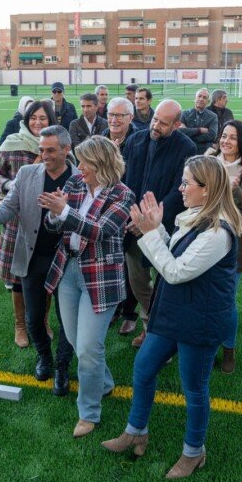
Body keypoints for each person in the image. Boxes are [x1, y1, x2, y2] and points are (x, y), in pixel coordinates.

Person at [101, 155, 242, 479]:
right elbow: (175, 256)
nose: (180, 188)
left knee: (194, 389)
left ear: (206, 190)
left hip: (199, 320)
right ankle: (136, 431)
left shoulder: (218, 231)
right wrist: (155, 230)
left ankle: (194, 452)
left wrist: (151, 232)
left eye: (187, 182)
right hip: (176, 313)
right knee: (144, 367)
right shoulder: (196, 215)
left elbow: (176, 272)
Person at [39, 136, 135, 438]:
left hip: (100, 276)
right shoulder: (76, 184)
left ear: (102, 164)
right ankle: (104, 384)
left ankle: (89, 412)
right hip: (68, 271)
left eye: (85, 163)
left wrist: (65, 213)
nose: (78, 169)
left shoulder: (123, 195)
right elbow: (53, 226)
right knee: (78, 341)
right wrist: (55, 214)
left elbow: (101, 231)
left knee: (88, 348)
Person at [0, 125, 75, 396]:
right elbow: (8, 209)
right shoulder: (26, 174)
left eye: (50, 150)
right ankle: (44, 356)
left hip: (67, 262)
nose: (44, 155)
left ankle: (62, 364)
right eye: (41, 150)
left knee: (66, 319)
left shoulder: (80, 178)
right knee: (34, 318)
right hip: (33, 258)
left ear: (67, 150)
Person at [121, 99, 197, 347]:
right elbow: (124, 182)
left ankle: (167, 330)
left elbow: (179, 192)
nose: (155, 126)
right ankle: (150, 326)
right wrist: (131, 216)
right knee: (138, 280)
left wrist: (151, 221)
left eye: (163, 123)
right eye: (155, 120)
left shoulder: (186, 147)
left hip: (166, 229)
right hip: (133, 226)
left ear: (177, 124)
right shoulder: (135, 140)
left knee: (166, 282)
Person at [206, 120, 242, 372]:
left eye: (232, 137)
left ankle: (228, 348)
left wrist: (235, 190)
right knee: (202, 299)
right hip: (203, 237)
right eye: (223, 136)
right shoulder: (207, 162)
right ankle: (205, 345)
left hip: (233, 243)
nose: (226, 141)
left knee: (226, 301)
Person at [0, 100, 50, 348]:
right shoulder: (12, 143)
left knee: (46, 274)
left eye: (43, 118)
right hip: (18, 222)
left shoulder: (57, 144)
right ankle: (20, 325)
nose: (38, 122)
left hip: (48, 220)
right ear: (26, 120)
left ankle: (43, 321)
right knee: (18, 275)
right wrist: (7, 186)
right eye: (33, 118)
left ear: (51, 121)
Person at [102, 97, 140, 333]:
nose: (114, 120)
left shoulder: (140, 141)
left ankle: (130, 313)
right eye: (111, 114)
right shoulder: (100, 138)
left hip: (130, 212)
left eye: (120, 115)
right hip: (105, 212)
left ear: (131, 118)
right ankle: (114, 308)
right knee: (111, 263)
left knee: (133, 267)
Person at [179, 88, 219, 155]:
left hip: (204, 152)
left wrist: (189, 134)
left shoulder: (213, 116)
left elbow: (212, 135)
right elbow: (179, 132)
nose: (201, 99)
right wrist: (199, 130)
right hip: (186, 150)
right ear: (195, 98)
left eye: (204, 97)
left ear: (208, 101)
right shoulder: (184, 114)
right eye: (199, 96)